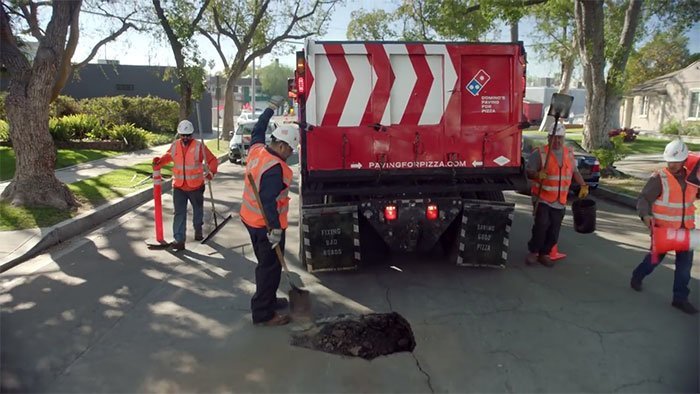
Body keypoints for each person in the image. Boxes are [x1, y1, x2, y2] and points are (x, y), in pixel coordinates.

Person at [239, 96, 299, 326]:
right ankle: (263, 313)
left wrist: (269, 110)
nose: (289, 154)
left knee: (269, 265)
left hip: (250, 219)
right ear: (282, 145)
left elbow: (258, 129)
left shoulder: (257, 150)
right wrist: (273, 230)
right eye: (289, 150)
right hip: (264, 225)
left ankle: (270, 299)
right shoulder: (274, 168)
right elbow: (267, 201)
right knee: (269, 267)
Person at [630, 139, 698, 314]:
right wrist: (645, 216)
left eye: (676, 161)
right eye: (670, 161)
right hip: (664, 230)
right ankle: (638, 276)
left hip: (685, 230)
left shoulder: (692, 178)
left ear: (684, 160)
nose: (672, 164)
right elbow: (644, 199)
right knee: (654, 260)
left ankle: (680, 298)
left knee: (684, 266)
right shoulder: (659, 177)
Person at [526, 123, 589, 267]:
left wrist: (583, 185)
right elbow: (529, 172)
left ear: (564, 138)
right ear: (549, 138)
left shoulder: (568, 154)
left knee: (554, 228)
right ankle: (534, 252)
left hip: (560, 199)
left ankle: (545, 253)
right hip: (542, 197)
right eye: (554, 138)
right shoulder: (540, 153)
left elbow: (574, 172)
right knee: (541, 225)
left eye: (560, 138)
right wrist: (537, 174)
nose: (557, 141)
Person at [152, 120, 218, 252]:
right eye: (183, 135)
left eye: (188, 135)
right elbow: (168, 156)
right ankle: (179, 240)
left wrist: (211, 171)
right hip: (179, 187)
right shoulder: (175, 145)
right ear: (179, 134)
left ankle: (198, 229)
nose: (185, 138)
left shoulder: (200, 147)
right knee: (179, 213)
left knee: (197, 211)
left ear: (192, 134)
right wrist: (159, 162)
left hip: (196, 187)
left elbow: (212, 160)